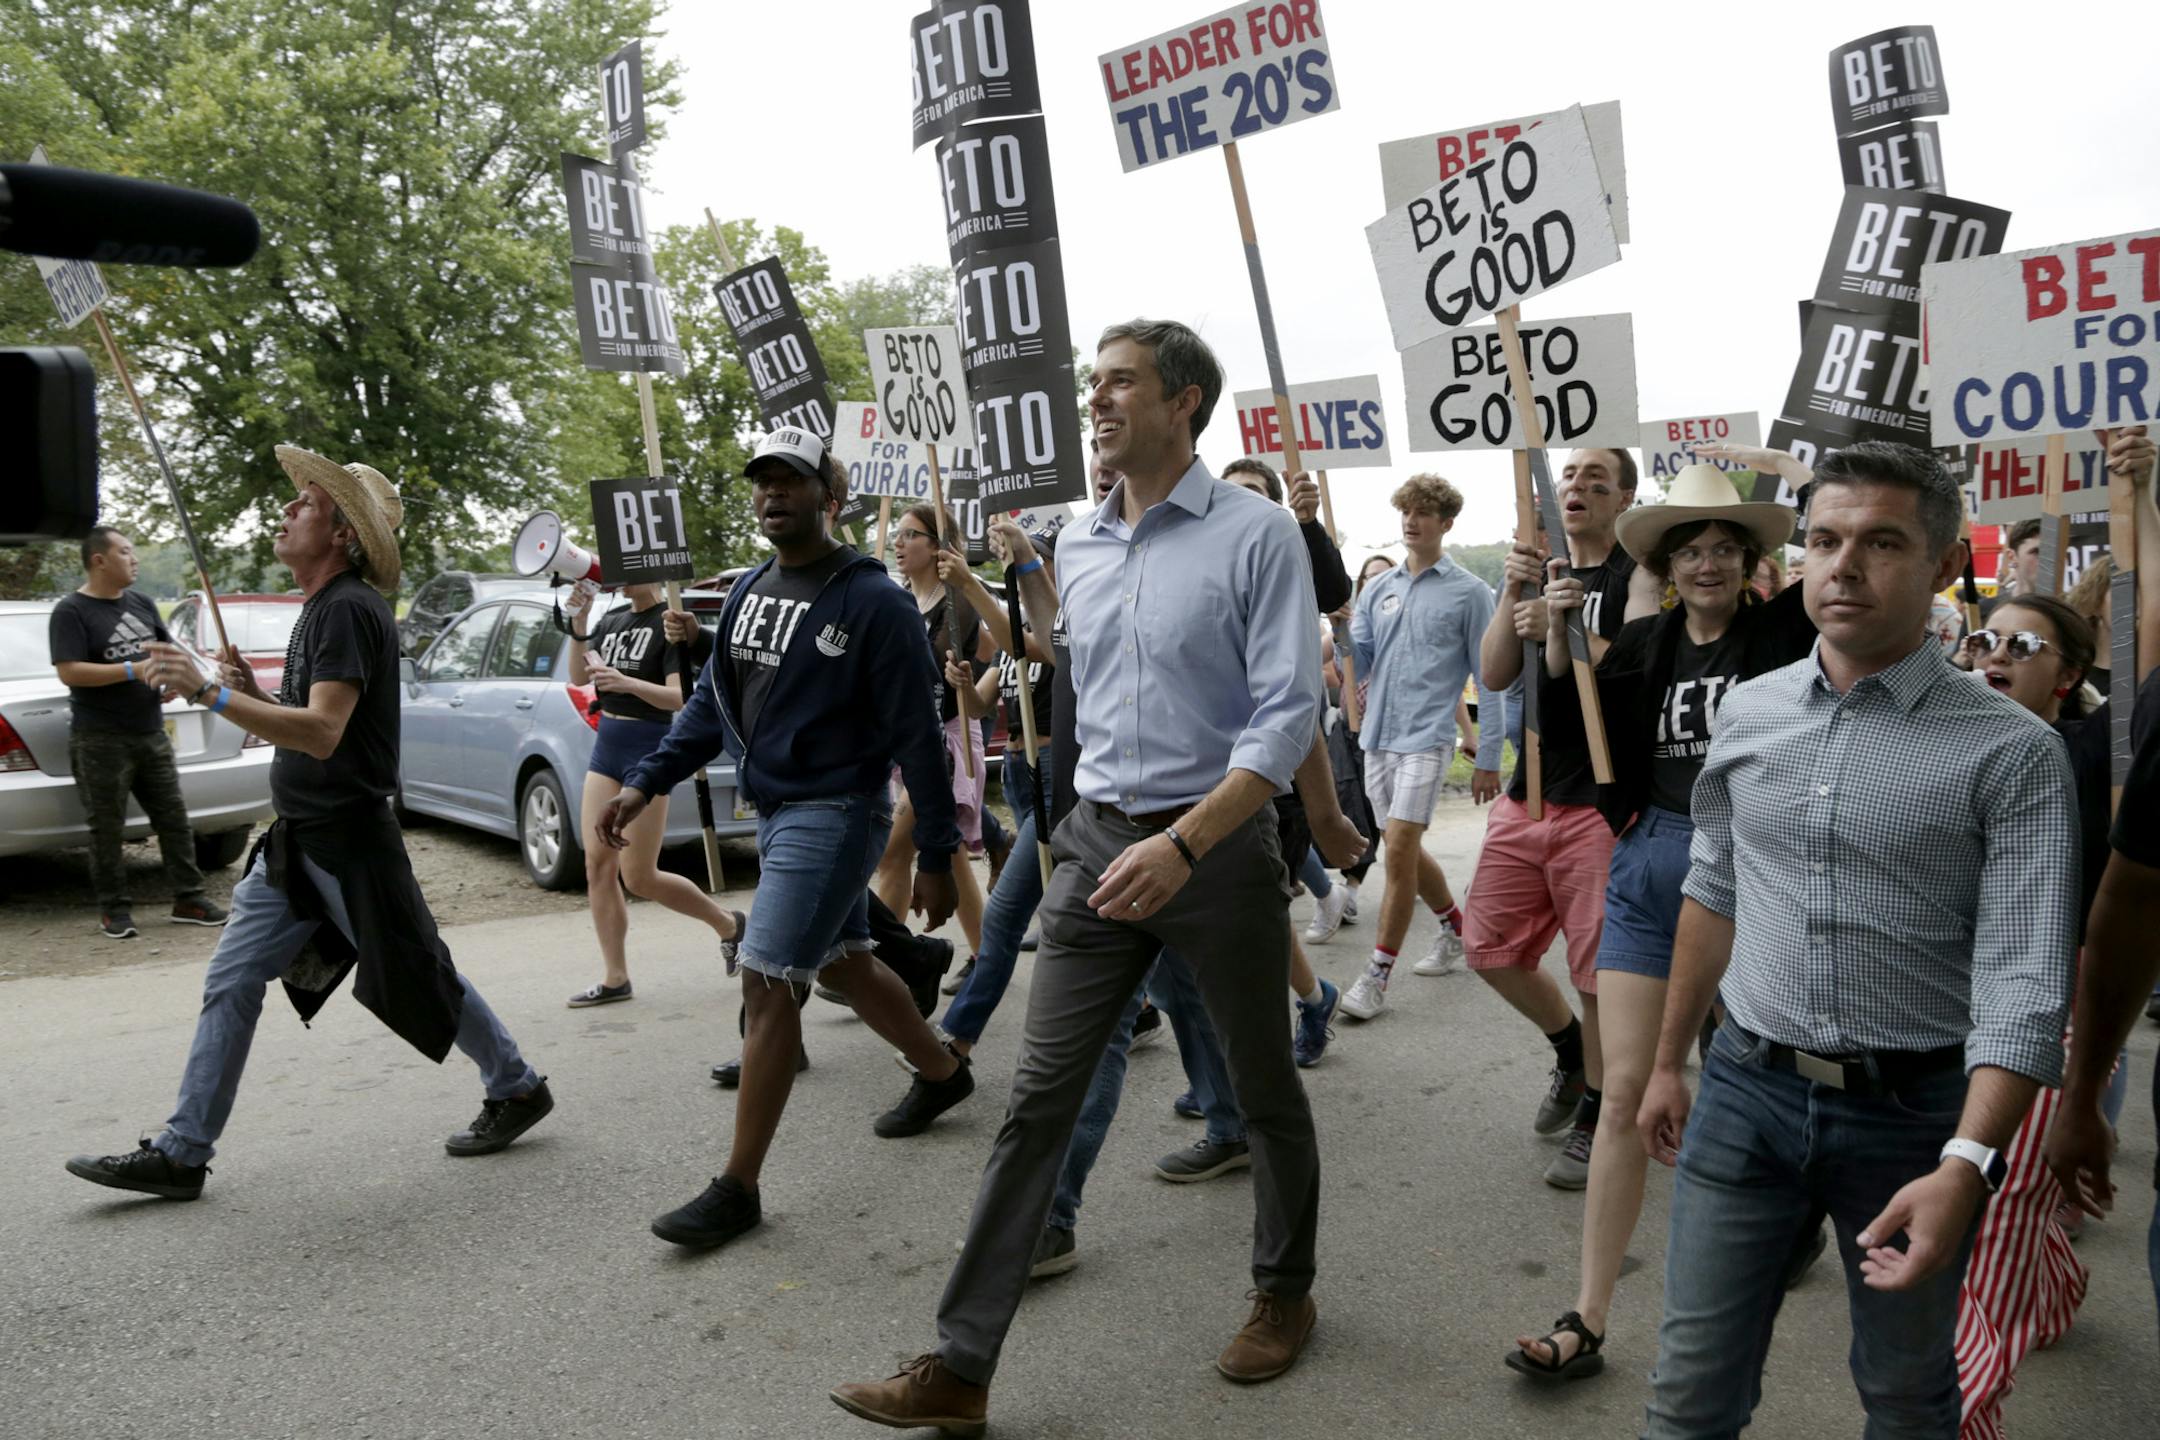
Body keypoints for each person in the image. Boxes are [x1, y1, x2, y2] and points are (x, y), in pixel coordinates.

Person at [831, 320, 1325, 1434]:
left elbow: (1287, 712)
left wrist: (1189, 842)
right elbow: (1074, 667)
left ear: (1185, 400)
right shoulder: (1081, 543)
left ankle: (1284, 1293)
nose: (1095, 401)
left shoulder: (1256, 536)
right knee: (1035, 1100)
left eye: (1120, 382)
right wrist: (1017, 606)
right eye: (1090, 383)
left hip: (1216, 851)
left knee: (1261, 1088)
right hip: (1097, 847)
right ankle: (961, 1365)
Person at [1635, 440, 2079, 1439]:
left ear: (1941, 561)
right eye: (1824, 540)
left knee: (1908, 1393)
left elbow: (2025, 982)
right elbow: (1716, 889)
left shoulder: (2014, 752)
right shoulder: (1748, 714)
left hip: (1914, 1119)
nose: (1843, 566)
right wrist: (1669, 1064)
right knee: (1688, 1394)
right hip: (1746, 1092)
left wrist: (1965, 1163)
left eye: (1881, 542)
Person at [66, 446, 551, 1202]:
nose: (290, 509)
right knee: (231, 980)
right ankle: (182, 1152)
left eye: (309, 504)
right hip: (296, 840)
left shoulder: (351, 609)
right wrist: (248, 689)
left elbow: (324, 734)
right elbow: (310, 718)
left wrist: (208, 695)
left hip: (349, 841)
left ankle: (516, 1085)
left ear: (343, 537)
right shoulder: (323, 609)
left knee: (420, 973)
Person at [609, 427, 970, 1251]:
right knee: (842, 959)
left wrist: (939, 854)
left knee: (767, 979)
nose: (773, 494)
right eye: (763, 482)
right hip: (776, 810)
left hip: (837, 810)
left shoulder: (871, 599)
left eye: (792, 482)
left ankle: (736, 1188)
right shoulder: (747, 590)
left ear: (830, 500)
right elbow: (711, 706)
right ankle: (944, 1072)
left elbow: (921, 737)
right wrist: (645, 782)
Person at [1502, 460, 1808, 1378]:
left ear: (1752, 562)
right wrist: (1554, 637)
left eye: (1726, 548)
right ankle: (1588, 1317)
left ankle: (1791, 1224)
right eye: (1693, 550)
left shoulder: (1789, 640)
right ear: (1671, 565)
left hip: (1758, 876)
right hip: (1647, 873)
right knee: (1628, 1091)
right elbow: (1563, 714)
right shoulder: (1643, 647)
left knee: (1757, 1086)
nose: (1709, 564)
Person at [1949, 595, 2110, 1439]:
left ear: (2070, 675)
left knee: (1993, 1208)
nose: (1994, 653)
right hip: (1945, 1020)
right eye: (1984, 639)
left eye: (2023, 644)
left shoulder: (2096, 757)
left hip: (2056, 1022)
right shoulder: (1936, 743)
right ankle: (2052, 1290)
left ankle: (1960, 1414)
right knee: (2004, 1199)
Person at [1470, 448, 1645, 1170]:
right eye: (1570, 475)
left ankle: (1602, 1113)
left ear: (1624, 498)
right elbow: (1495, 673)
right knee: (1489, 947)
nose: (1577, 486)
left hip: (1601, 803)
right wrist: (1516, 599)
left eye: (1597, 479)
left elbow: (1641, 669)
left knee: (1596, 973)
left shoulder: (1638, 575)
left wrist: (1570, 630)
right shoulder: (1536, 570)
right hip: (1529, 793)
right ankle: (1571, 1050)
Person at [1339, 473, 1501, 1022]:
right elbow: (1357, 657)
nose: (1411, 520)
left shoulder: (1471, 593)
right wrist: (1340, 630)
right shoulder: (1379, 590)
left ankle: (1376, 975)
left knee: (1401, 848)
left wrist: (1487, 752)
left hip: (1428, 738)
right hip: (1378, 736)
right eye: (1406, 511)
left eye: (1424, 512)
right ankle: (1458, 930)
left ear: (1446, 523)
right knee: (1399, 849)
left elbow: (1492, 676)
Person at [560, 578, 742, 1008]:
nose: (618, 578)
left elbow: (681, 697)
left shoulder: (667, 622)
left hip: (649, 750)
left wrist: (627, 683)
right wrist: (579, 622)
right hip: (607, 746)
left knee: (638, 875)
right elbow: (576, 675)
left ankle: (729, 924)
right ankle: (615, 977)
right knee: (596, 864)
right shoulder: (612, 619)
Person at [48, 525, 228, 938]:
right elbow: (69, 671)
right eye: (126, 552)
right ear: (99, 560)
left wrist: (169, 682)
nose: (135, 559)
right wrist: (131, 669)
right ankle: (114, 910)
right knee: (106, 829)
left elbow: (166, 652)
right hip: (99, 738)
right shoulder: (71, 611)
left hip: (150, 732)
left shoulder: (143, 603)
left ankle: (189, 897)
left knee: (174, 818)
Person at [875, 501, 994, 986]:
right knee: (954, 862)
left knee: (892, 852)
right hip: (907, 742)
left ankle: (880, 961)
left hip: (944, 743)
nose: (898, 543)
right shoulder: (901, 598)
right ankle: (990, 959)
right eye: (896, 534)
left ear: (938, 546)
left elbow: (931, 672)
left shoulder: (957, 600)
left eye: (910, 534)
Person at [1980, 518, 2042, 618]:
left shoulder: (2067, 613)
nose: (2047, 560)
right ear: (2012, 557)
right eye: (2036, 552)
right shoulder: (1983, 612)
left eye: (2053, 552)